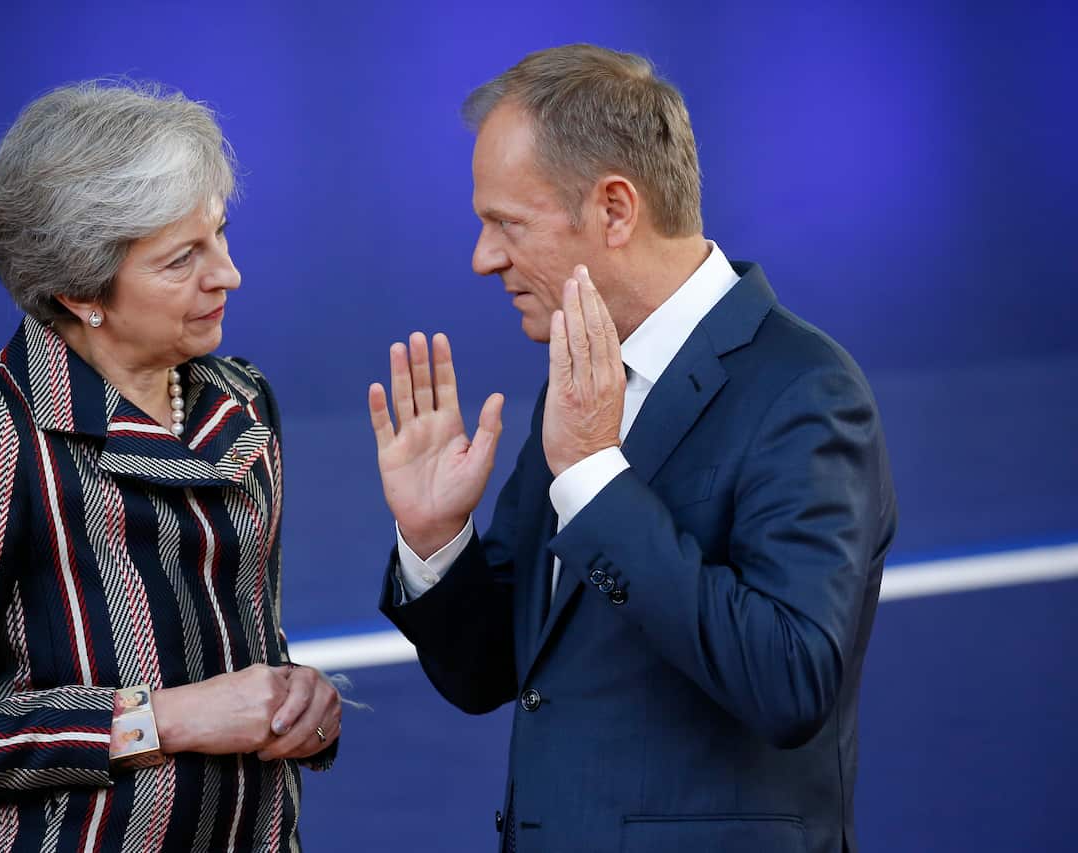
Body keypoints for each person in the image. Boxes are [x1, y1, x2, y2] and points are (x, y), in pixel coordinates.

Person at [369, 44, 896, 852]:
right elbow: (492, 674)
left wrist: (594, 478)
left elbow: (790, 679)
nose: (483, 258)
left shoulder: (805, 391)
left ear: (615, 210)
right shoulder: (578, 383)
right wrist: (437, 541)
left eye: (506, 223)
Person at [0, 81, 340, 852]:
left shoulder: (244, 401)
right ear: (82, 292)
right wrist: (163, 718)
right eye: (182, 259)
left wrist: (296, 698)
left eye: (220, 235)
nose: (228, 274)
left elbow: (246, 659)